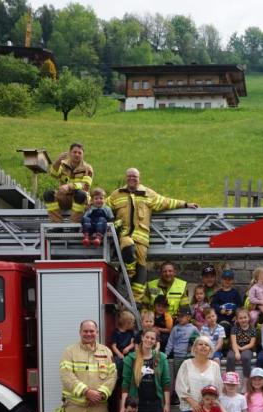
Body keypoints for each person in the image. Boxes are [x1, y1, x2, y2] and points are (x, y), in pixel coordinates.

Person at [107, 168, 197, 301]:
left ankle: (137, 299)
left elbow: (166, 202)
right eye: (130, 176)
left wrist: (185, 204)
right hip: (124, 236)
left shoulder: (148, 194)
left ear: (139, 178)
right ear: (126, 178)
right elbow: (102, 207)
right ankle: (129, 273)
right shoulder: (116, 195)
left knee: (141, 267)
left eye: (135, 176)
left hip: (141, 239)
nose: (132, 178)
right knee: (127, 245)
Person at [45, 142, 93, 223]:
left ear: (82, 155)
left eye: (79, 153)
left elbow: (85, 186)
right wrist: (57, 161)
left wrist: (69, 186)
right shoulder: (62, 164)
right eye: (74, 152)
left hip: (79, 199)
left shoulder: (87, 168)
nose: (77, 154)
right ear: (69, 153)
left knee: (81, 194)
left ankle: (74, 224)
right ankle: (57, 223)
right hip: (63, 197)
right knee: (48, 194)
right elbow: (54, 174)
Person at [167, 306, 198, 379]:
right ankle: (177, 390)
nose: (179, 318)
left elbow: (198, 341)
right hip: (177, 357)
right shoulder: (175, 328)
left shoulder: (194, 329)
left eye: (182, 316)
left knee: (190, 376)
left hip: (190, 357)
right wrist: (166, 354)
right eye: (178, 316)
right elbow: (170, 342)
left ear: (189, 317)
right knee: (178, 376)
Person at [227, 309, 259, 380]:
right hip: (235, 347)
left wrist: (241, 349)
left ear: (249, 318)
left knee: (246, 357)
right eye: (240, 318)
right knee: (230, 357)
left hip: (247, 348)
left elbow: (251, 344)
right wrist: (237, 352)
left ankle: (246, 379)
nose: (243, 320)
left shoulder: (252, 329)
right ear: (237, 319)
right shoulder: (234, 328)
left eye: (245, 317)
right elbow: (233, 342)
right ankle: (230, 378)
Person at [110, 310, 137, 378]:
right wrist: (120, 354)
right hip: (119, 355)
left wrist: (128, 348)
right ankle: (118, 379)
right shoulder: (116, 333)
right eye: (132, 323)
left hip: (129, 353)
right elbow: (114, 346)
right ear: (127, 323)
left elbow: (133, 343)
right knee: (117, 363)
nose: (134, 325)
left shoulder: (131, 332)